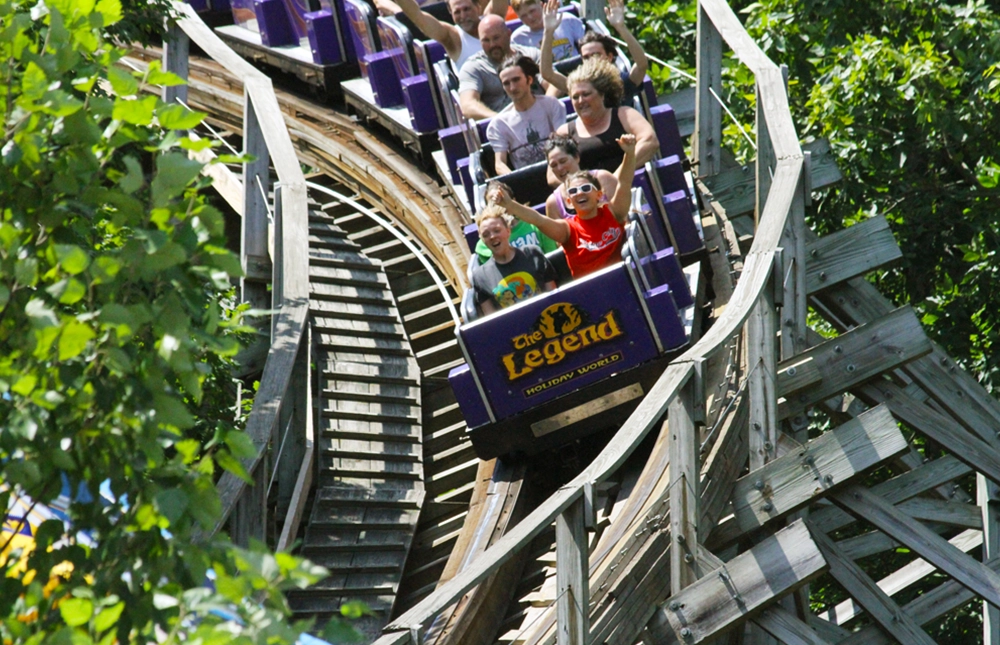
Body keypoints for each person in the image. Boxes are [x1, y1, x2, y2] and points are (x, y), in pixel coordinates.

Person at [490, 134, 637, 278]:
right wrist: (509, 205)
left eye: (585, 189)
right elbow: (538, 220)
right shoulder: (568, 230)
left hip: (627, 276)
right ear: (568, 201)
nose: (579, 194)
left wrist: (629, 153)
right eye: (573, 191)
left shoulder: (613, 213)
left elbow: (624, 183)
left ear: (599, 195)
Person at [551, 57, 657, 175]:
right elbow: (551, 176)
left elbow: (650, 141)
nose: (581, 101)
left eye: (586, 94)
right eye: (575, 97)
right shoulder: (564, 132)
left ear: (602, 94)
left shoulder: (624, 115)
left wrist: (618, 177)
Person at [539, 0, 649, 103]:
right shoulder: (578, 86)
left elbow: (641, 65)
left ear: (609, 57)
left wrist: (621, 27)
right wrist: (548, 31)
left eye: (596, 54)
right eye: (586, 57)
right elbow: (547, 73)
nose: (591, 60)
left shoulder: (621, 82)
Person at [374, 0, 508, 72]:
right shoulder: (452, 37)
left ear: (478, 6)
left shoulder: (492, 21)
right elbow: (417, 16)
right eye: (457, 12)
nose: (463, 16)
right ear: (450, 11)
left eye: (467, 9)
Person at [471, 204, 557, 314]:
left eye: (497, 230)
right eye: (486, 234)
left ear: (508, 231)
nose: (492, 237)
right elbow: (492, 320)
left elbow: (554, 296)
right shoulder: (480, 276)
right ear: (482, 239)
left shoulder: (532, 254)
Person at [487, 56, 567, 174]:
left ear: (529, 80)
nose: (512, 88)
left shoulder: (552, 105)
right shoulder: (498, 124)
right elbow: (500, 164)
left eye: (516, 80)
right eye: (506, 83)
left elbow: (564, 146)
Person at [458, 14, 543, 120]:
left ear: (508, 34)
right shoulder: (474, 68)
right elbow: (468, 105)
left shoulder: (531, 55)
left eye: (496, 38)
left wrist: (546, 108)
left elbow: (553, 84)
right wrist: (501, 121)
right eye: (486, 40)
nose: (492, 44)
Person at [543, 135, 618, 220]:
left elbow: (623, 217)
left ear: (576, 157)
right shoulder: (553, 203)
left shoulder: (603, 178)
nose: (559, 168)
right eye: (554, 165)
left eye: (563, 161)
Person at [510, 0, 584, 62]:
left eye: (532, 11)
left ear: (541, 5)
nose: (530, 17)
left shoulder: (567, 20)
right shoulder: (518, 38)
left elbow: (585, 44)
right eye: (524, 16)